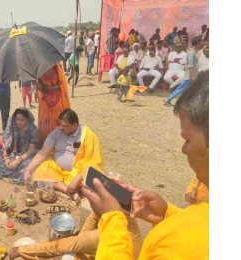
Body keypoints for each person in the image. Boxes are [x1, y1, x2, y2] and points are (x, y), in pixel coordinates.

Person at [81, 70, 209, 259]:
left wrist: (112, 220)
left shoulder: (177, 245)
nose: (183, 149)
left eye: (188, 140)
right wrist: (168, 215)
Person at [24, 109, 104, 203]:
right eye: (59, 124)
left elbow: (94, 161)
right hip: (57, 171)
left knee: (94, 180)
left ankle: (77, 188)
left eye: (64, 125)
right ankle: (69, 191)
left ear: (74, 125)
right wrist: (28, 170)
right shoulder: (56, 132)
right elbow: (43, 153)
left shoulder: (88, 135)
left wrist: (76, 180)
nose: (61, 127)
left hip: (79, 174)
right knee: (42, 168)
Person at [9, 205, 143, 260]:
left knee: (67, 255)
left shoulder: (107, 235)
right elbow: (94, 216)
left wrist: (21, 250)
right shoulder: (120, 216)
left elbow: (58, 247)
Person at [0, 108, 38, 180]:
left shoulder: (33, 130)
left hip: (25, 157)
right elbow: (6, 145)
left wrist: (19, 161)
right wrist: (6, 158)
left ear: (27, 120)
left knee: (27, 168)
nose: (19, 122)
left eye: (22, 120)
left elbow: (32, 150)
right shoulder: (12, 127)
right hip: (12, 153)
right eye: (17, 119)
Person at [35, 63, 71, 148]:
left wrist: (50, 88)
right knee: (45, 122)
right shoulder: (37, 65)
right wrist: (40, 85)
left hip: (57, 99)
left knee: (57, 121)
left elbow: (61, 84)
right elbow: (38, 85)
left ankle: (59, 145)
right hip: (44, 101)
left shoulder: (56, 64)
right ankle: (46, 146)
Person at [165, 36, 203, 106]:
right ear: (198, 43)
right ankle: (168, 100)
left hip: (192, 75)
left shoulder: (194, 52)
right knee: (181, 89)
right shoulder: (191, 53)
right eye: (201, 43)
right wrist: (193, 76)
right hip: (190, 75)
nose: (202, 45)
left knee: (186, 89)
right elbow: (190, 65)